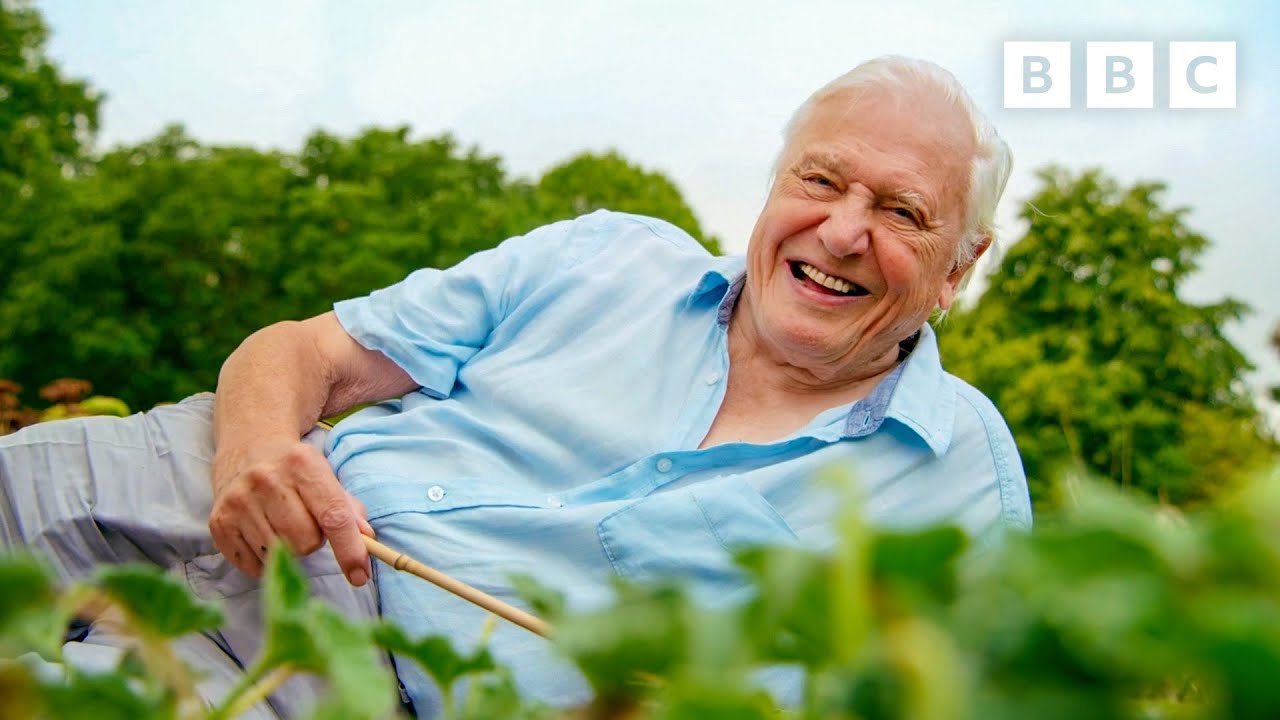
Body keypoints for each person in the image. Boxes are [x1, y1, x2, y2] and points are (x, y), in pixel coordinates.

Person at [0, 55, 1031, 718]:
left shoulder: (960, 478)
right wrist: (257, 449)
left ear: (957, 267)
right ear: (774, 188)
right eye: (818, 181)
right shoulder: (606, 255)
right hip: (223, 480)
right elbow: (299, 354)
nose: (841, 231)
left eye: (899, 211)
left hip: (345, 689)